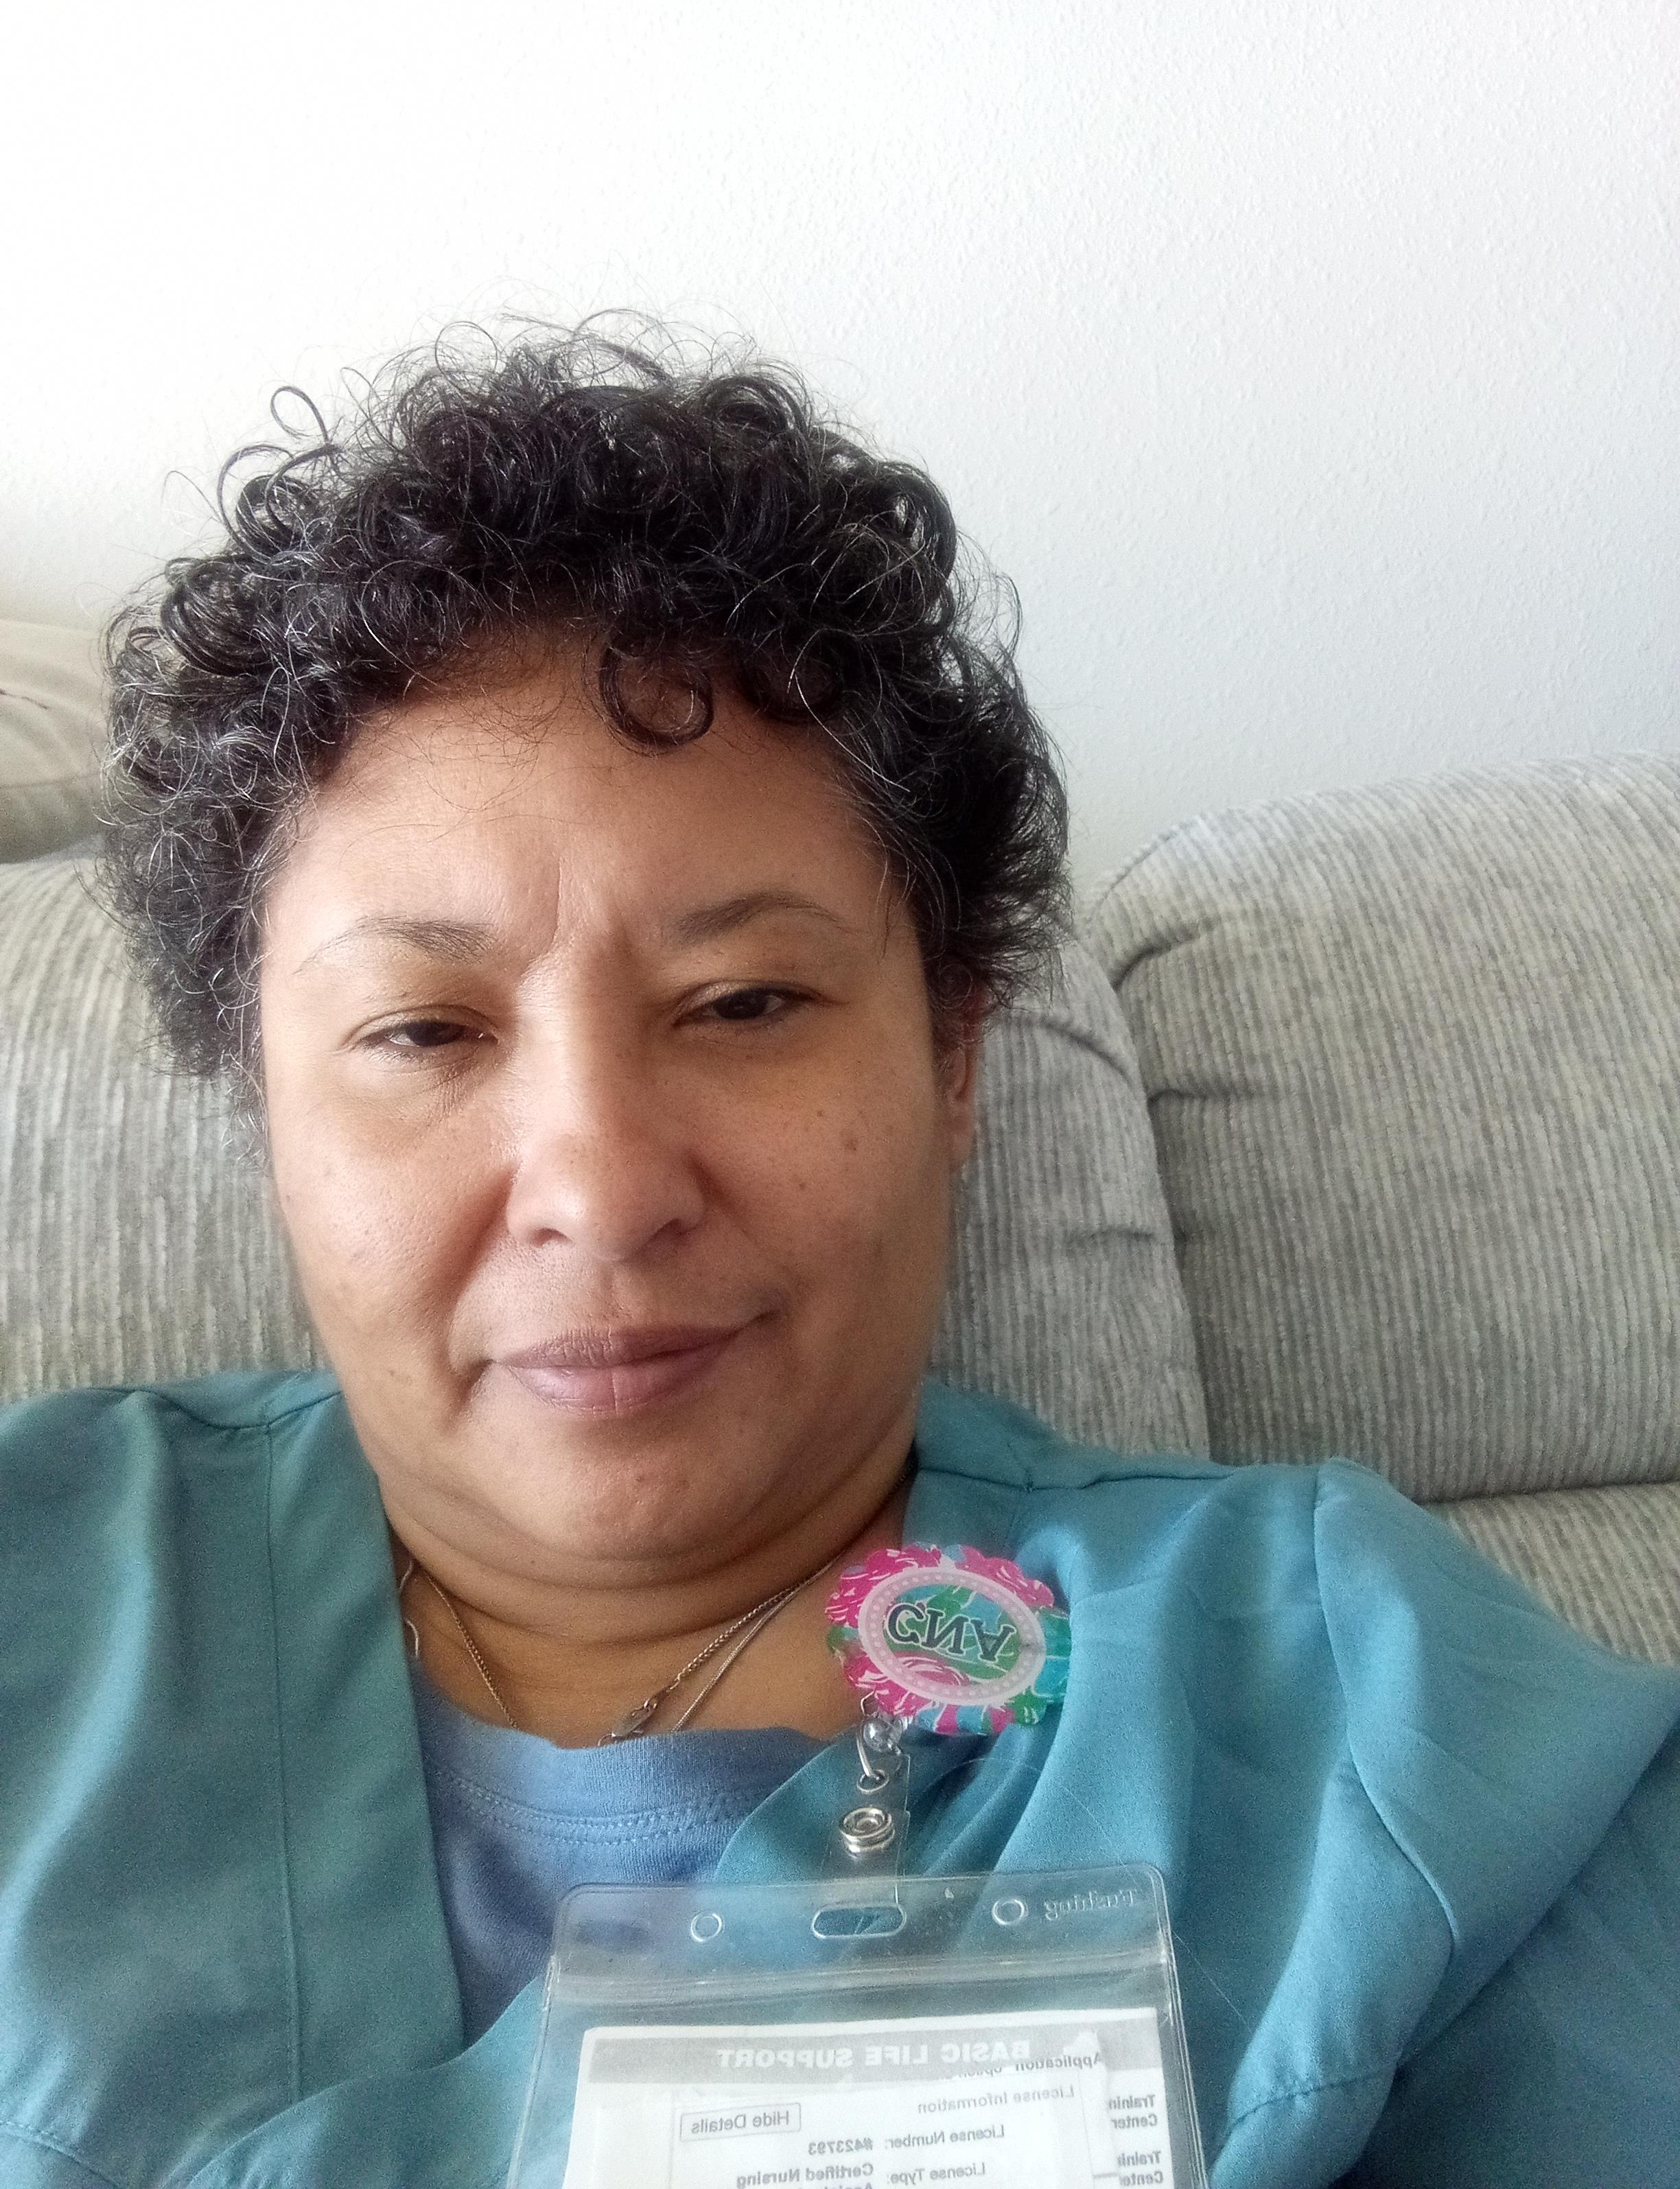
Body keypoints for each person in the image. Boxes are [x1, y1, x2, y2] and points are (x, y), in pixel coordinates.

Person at [0, 327, 1675, 2189]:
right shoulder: (42, 1602)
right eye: (425, 1032)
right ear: (265, 1108)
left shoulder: (1346, 1695)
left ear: (952, 1059)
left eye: (744, 999)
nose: (604, 1187)